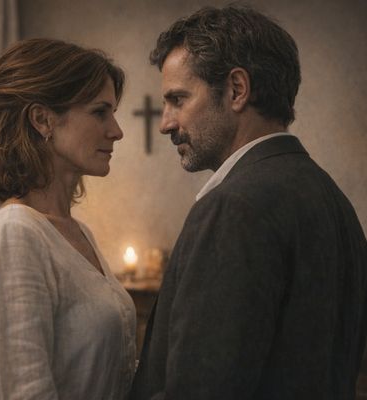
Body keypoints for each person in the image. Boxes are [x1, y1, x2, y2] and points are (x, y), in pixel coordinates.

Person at [129, 5, 367, 400]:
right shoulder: (333, 200)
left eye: (178, 99)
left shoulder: (234, 206)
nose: (166, 122)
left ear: (237, 90)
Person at [0, 38, 136, 399]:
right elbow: (23, 391)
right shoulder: (12, 234)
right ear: (43, 119)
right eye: (100, 112)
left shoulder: (79, 232)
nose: (117, 130)